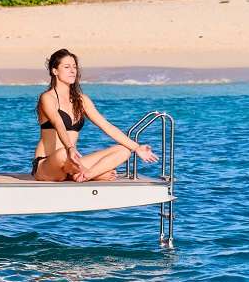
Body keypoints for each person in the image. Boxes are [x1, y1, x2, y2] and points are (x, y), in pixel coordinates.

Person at [31, 48, 158, 182]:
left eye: (75, 67)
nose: (73, 71)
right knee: (63, 154)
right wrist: (70, 148)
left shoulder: (81, 100)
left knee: (124, 151)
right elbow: (58, 123)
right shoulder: (47, 98)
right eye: (67, 67)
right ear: (54, 71)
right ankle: (90, 173)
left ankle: (85, 175)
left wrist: (137, 147)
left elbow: (105, 125)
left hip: (71, 161)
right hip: (47, 165)